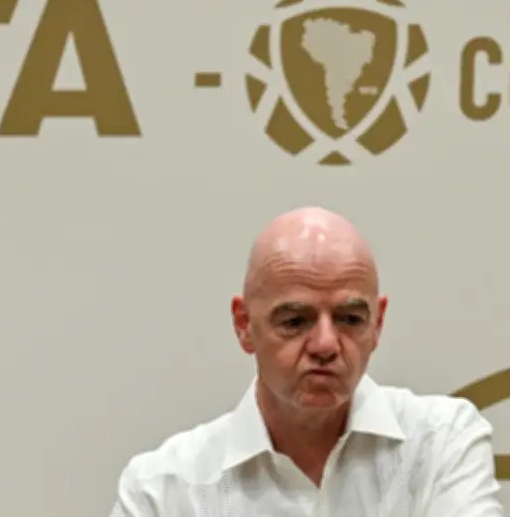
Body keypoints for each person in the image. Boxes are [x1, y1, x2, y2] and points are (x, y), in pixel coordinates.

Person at [108, 206, 503, 516]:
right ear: (244, 325)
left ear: (378, 324)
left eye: (350, 319)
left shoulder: (441, 442)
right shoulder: (164, 488)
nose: (326, 345)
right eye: (295, 321)